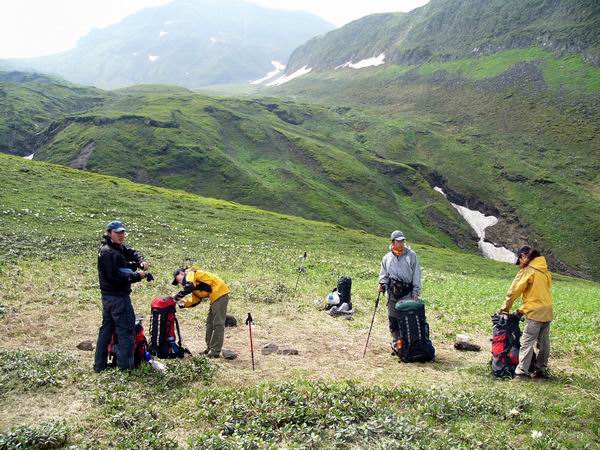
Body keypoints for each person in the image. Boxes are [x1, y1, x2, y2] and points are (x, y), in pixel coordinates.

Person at [94, 220, 148, 372]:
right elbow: (115, 278)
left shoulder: (114, 247)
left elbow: (130, 251)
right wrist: (138, 276)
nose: (121, 235)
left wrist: (140, 261)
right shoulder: (109, 252)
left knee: (106, 330)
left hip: (108, 298)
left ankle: (100, 366)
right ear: (109, 233)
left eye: (122, 232)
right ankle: (125, 369)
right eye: (117, 232)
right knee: (126, 331)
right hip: (118, 298)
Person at [499, 246, 553, 380]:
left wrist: (505, 308)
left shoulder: (528, 271)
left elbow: (514, 291)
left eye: (519, 260)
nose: (519, 264)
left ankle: (521, 372)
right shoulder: (545, 271)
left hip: (534, 313)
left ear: (524, 256)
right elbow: (538, 295)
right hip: (547, 311)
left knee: (527, 342)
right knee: (544, 344)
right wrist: (522, 310)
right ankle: (540, 370)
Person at [172, 266, 230, 358]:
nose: (179, 283)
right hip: (215, 297)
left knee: (218, 324)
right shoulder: (194, 285)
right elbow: (196, 300)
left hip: (220, 293)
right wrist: (183, 304)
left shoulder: (190, 273)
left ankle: (215, 352)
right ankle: (209, 348)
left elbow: (190, 286)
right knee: (210, 323)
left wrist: (176, 297)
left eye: (177, 279)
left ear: (182, 273)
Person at [378, 230, 422, 347]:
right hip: (392, 293)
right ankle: (396, 341)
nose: (401, 243)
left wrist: (416, 291)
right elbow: (384, 275)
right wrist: (382, 284)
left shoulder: (411, 255)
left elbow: (416, 274)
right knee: (393, 319)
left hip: (407, 293)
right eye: (398, 241)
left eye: (402, 241)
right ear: (393, 242)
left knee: (407, 318)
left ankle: (408, 343)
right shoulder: (387, 258)